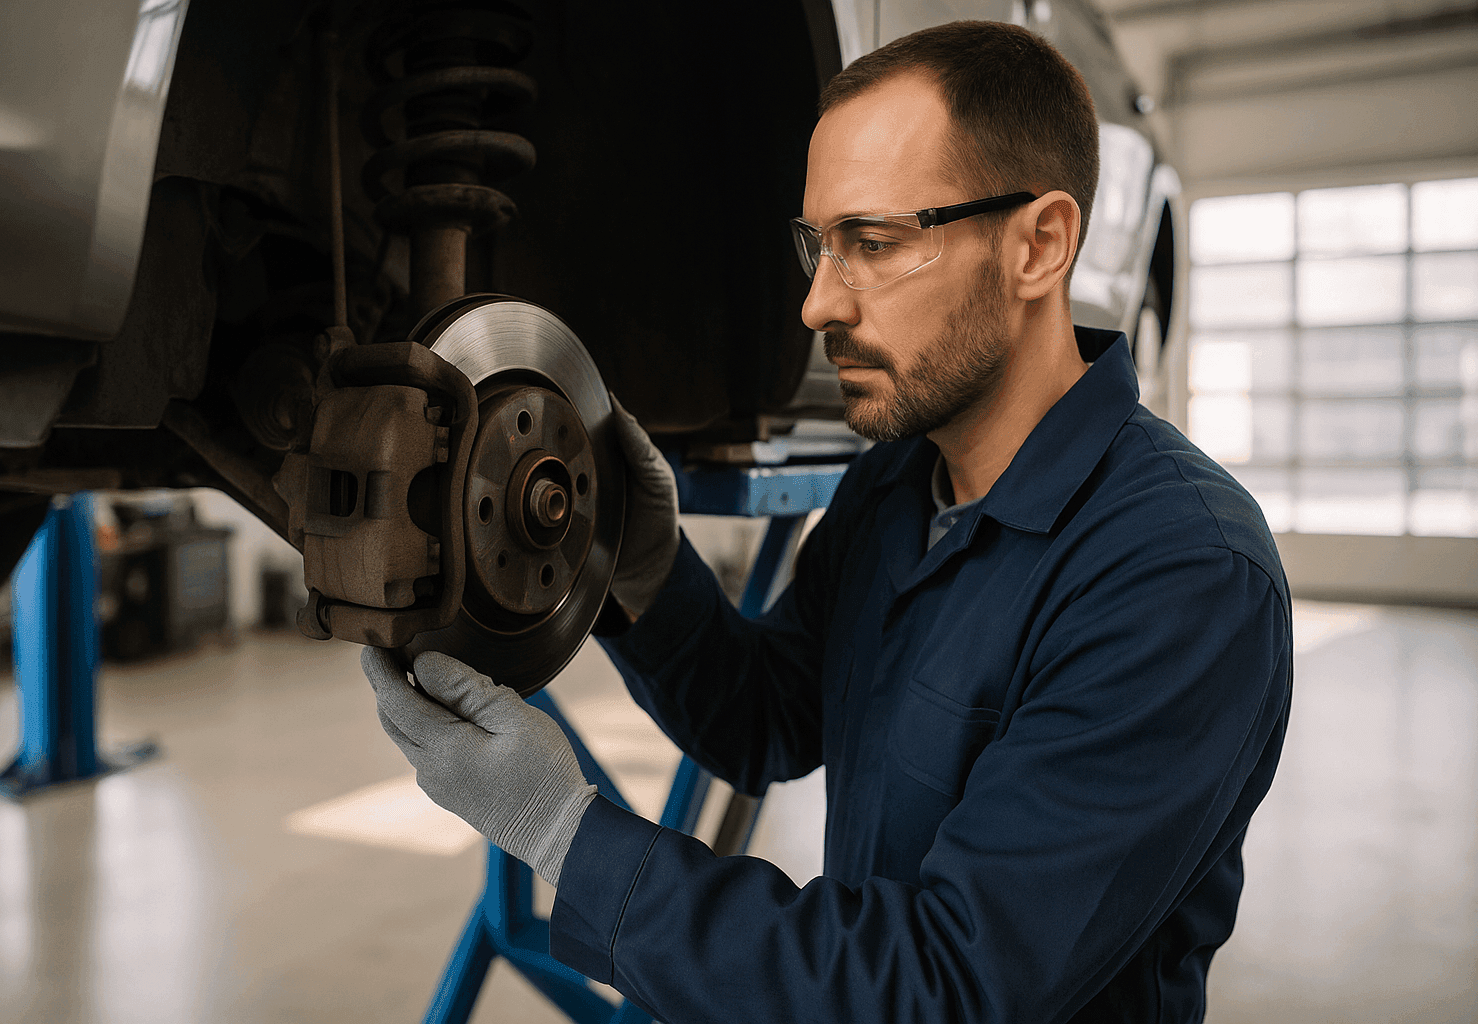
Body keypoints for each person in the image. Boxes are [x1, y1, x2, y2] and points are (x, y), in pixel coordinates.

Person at [361, 20, 1293, 1024]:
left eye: (873, 244)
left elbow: (944, 989)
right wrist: (643, 568)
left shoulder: (1183, 575)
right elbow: (768, 717)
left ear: (1041, 244)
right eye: (817, 245)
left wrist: (563, 830)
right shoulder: (896, 485)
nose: (813, 304)